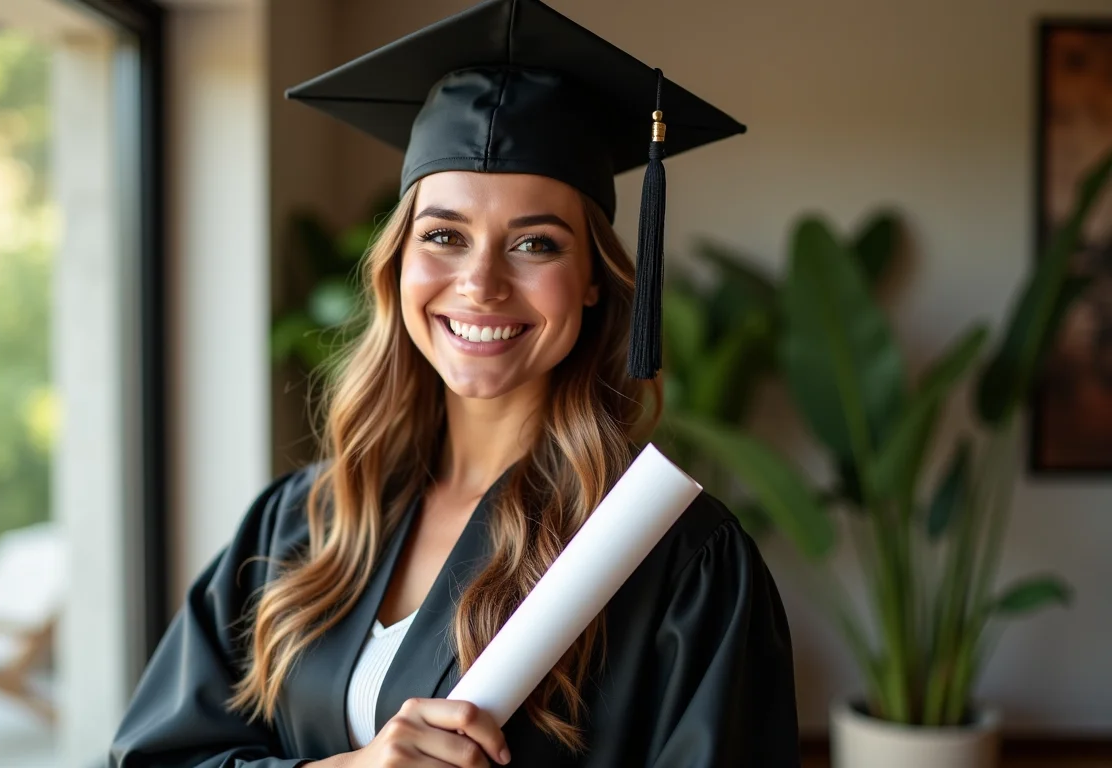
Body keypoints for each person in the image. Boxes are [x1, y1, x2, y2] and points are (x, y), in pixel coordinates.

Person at [110, 0, 800, 765]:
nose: (481, 284)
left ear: (593, 280)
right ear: (398, 263)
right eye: (443, 235)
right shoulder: (301, 523)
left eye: (536, 244)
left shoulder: (676, 563)